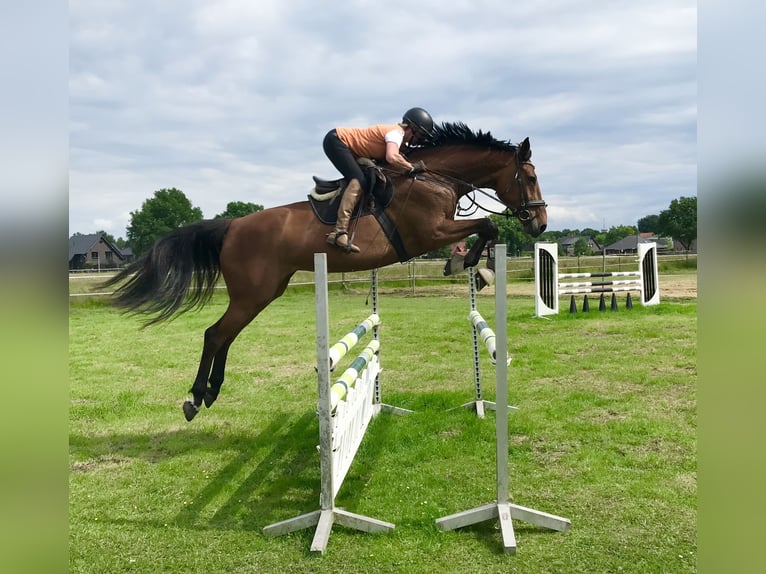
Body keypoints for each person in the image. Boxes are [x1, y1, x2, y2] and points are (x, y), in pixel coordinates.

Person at [322, 107, 435, 253]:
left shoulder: (397, 137)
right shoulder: (396, 133)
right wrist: (411, 167)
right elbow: (392, 157)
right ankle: (339, 232)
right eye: (419, 136)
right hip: (336, 141)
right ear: (411, 128)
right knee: (359, 180)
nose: (417, 141)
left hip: (345, 145)